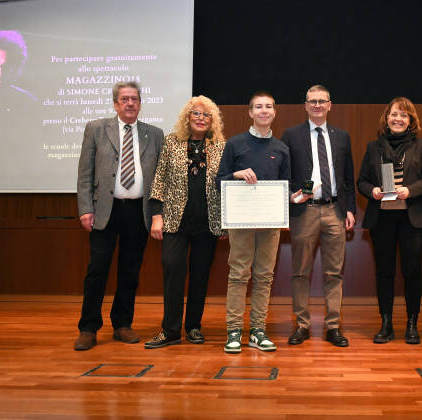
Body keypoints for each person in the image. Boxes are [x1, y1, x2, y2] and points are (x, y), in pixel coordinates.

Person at [74, 81, 164, 351]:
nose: (130, 104)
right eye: (124, 99)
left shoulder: (155, 134)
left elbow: (159, 179)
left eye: (134, 99)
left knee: (130, 271)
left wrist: (158, 213)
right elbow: (85, 173)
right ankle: (88, 328)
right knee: (97, 271)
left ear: (140, 103)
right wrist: (85, 208)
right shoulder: (96, 129)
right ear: (115, 103)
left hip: (138, 212)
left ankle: (122, 324)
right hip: (105, 210)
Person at [144, 96, 226, 349]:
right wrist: (157, 216)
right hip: (174, 221)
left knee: (200, 276)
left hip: (208, 223)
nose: (201, 119)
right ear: (187, 118)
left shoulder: (221, 146)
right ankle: (170, 330)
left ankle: (193, 327)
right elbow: (159, 180)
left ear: (213, 121)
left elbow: (226, 185)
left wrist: (226, 221)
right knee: (172, 271)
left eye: (206, 115)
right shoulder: (171, 142)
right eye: (196, 114)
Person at [357, 97, 422, 344]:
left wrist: (409, 190)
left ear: (411, 120)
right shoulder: (373, 147)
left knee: (412, 271)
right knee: (384, 272)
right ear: (387, 118)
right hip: (382, 218)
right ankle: (386, 323)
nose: (398, 119)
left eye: (404, 115)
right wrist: (373, 191)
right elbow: (362, 181)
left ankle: (412, 324)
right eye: (394, 114)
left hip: (411, 218)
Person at [216, 91, 290, 353]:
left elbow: (285, 186)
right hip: (241, 221)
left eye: (269, 106)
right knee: (238, 275)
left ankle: (258, 330)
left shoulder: (281, 148)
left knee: (264, 276)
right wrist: (235, 174)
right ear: (250, 112)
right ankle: (234, 331)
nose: (264, 111)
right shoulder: (235, 144)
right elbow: (219, 180)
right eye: (258, 107)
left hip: (270, 223)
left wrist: (294, 195)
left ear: (274, 112)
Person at [282, 85, 356, 348]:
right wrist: (293, 195)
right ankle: (301, 325)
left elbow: (348, 177)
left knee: (334, 273)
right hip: (305, 211)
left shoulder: (342, 136)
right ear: (305, 105)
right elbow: (286, 174)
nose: (316, 105)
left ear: (329, 105)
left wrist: (350, 209)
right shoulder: (291, 135)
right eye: (312, 101)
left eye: (321, 101)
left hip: (335, 210)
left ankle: (333, 326)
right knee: (300, 271)